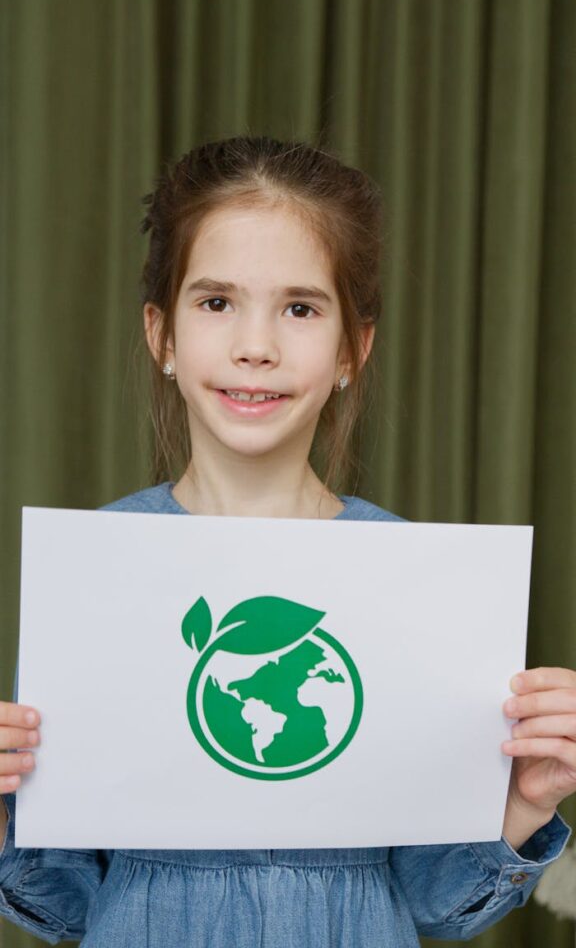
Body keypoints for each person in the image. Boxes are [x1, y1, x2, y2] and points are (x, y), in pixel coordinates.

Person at [0, 136, 574, 946]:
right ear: (161, 335)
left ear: (352, 349)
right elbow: (63, 903)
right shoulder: (96, 573)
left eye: (300, 308)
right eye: (216, 302)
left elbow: (435, 901)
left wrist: (526, 798)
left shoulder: (414, 579)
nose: (256, 346)